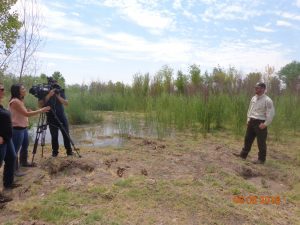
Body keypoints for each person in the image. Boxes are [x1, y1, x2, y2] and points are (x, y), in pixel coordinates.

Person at [9, 84, 50, 176]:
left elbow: (23, 113)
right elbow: (26, 114)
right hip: (17, 129)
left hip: (23, 128)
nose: (25, 89)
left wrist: (28, 111)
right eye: (22, 88)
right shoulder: (15, 101)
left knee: (25, 146)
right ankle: (14, 170)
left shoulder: (20, 100)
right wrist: (41, 110)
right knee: (15, 150)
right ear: (17, 91)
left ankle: (24, 162)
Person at [233, 82, 275, 164]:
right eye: (255, 87)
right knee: (247, 139)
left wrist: (265, 124)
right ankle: (243, 155)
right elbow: (250, 109)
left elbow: (271, 113)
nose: (256, 89)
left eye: (258, 87)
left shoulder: (268, 100)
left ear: (263, 89)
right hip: (251, 121)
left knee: (261, 142)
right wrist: (248, 119)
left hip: (260, 123)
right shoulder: (253, 98)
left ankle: (261, 160)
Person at [38, 78, 73, 157]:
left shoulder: (60, 91)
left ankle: (69, 151)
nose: (54, 87)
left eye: (55, 84)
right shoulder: (44, 92)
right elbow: (40, 105)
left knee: (66, 133)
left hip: (61, 116)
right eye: (52, 84)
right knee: (54, 135)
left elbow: (66, 103)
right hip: (51, 117)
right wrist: (49, 95)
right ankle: (55, 152)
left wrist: (58, 96)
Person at [0, 82, 20, 195]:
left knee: (11, 157)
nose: (2, 91)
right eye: (0, 89)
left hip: (7, 139)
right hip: (1, 141)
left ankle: (8, 182)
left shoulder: (1, 105)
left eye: (3, 89)